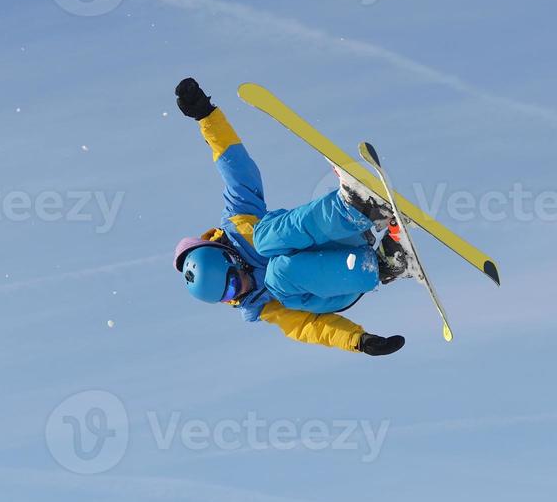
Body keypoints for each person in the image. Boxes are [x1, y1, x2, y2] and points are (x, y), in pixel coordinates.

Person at [171, 78, 414, 356]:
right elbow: (309, 326)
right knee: (278, 276)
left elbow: (238, 170)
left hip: (342, 234)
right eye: (227, 296)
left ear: (231, 258)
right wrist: (358, 340)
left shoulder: (239, 223)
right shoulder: (261, 304)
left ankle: (357, 208)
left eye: (233, 283)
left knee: (263, 238)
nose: (237, 294)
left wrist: (206, 116)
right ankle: (384, 264)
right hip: (344, 280)